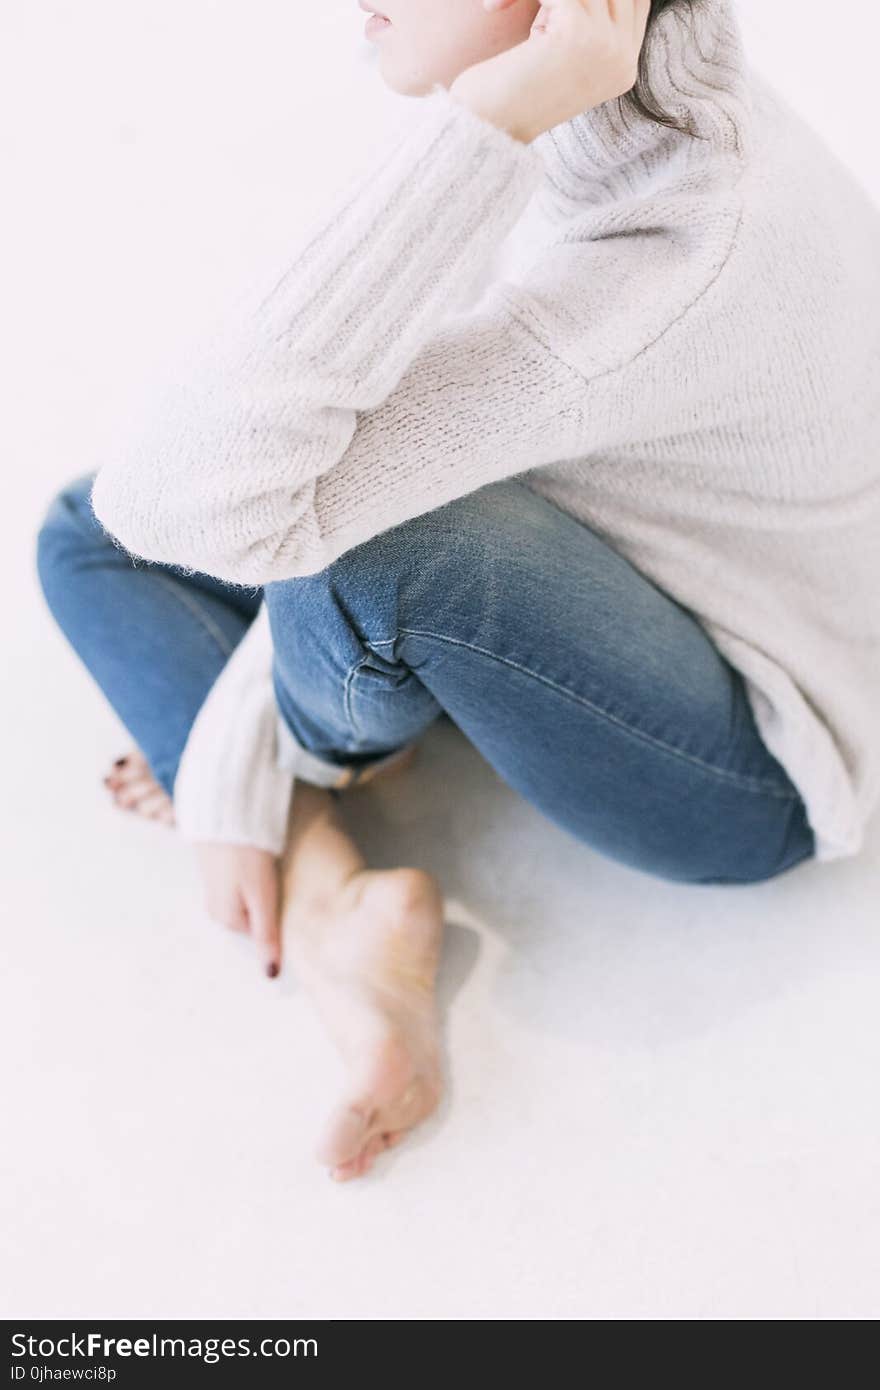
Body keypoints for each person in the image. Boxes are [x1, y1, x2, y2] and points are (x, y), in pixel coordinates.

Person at [35, 0, 880, 1182]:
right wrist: (492, 114)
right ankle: (335, 898)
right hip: (596, 553)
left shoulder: (650, 254)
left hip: (744, 764)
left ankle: (324, 827)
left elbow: (215, 498)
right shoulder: (612, 115)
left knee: (363, 555)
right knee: (91, 529)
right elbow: (169, 498)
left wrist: (235, 766)